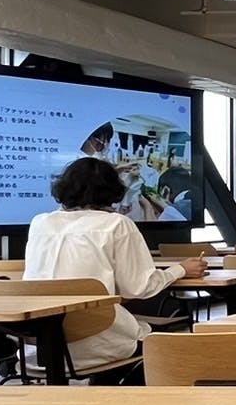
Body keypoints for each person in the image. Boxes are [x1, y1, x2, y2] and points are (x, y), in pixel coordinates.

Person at [24, 157, 207, 372]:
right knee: (163, 344)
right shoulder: (116, 224)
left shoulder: (40, 223)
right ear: (113, 190)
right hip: (97, 343)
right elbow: (139, 287)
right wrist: (181, 269)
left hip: (40, 348)